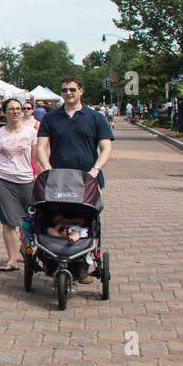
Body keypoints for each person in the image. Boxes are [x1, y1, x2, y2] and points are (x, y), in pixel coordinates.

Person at [36, 76, 113, 283]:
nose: (68, 93)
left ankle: (84, 263)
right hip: (58, 180)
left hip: (87, 179)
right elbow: (41, 147)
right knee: (55, 216)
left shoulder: (95, 117)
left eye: (72, 89)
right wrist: (47, 168)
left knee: (89, 217)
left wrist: (95, 169)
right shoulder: (51, 118)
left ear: (81, 91)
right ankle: (54, 259)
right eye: (64, 90)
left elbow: (106, 148)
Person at [0, 98, 37, 271]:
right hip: (2, 180)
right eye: (11, 109)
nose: (16, 112)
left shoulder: (31, 133)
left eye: (18, 108)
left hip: (26, 181)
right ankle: (12, 259)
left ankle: (25, 250)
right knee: (8, 222)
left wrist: (43, 177)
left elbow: (36, 158)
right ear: (4, 112)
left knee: (27, 221)